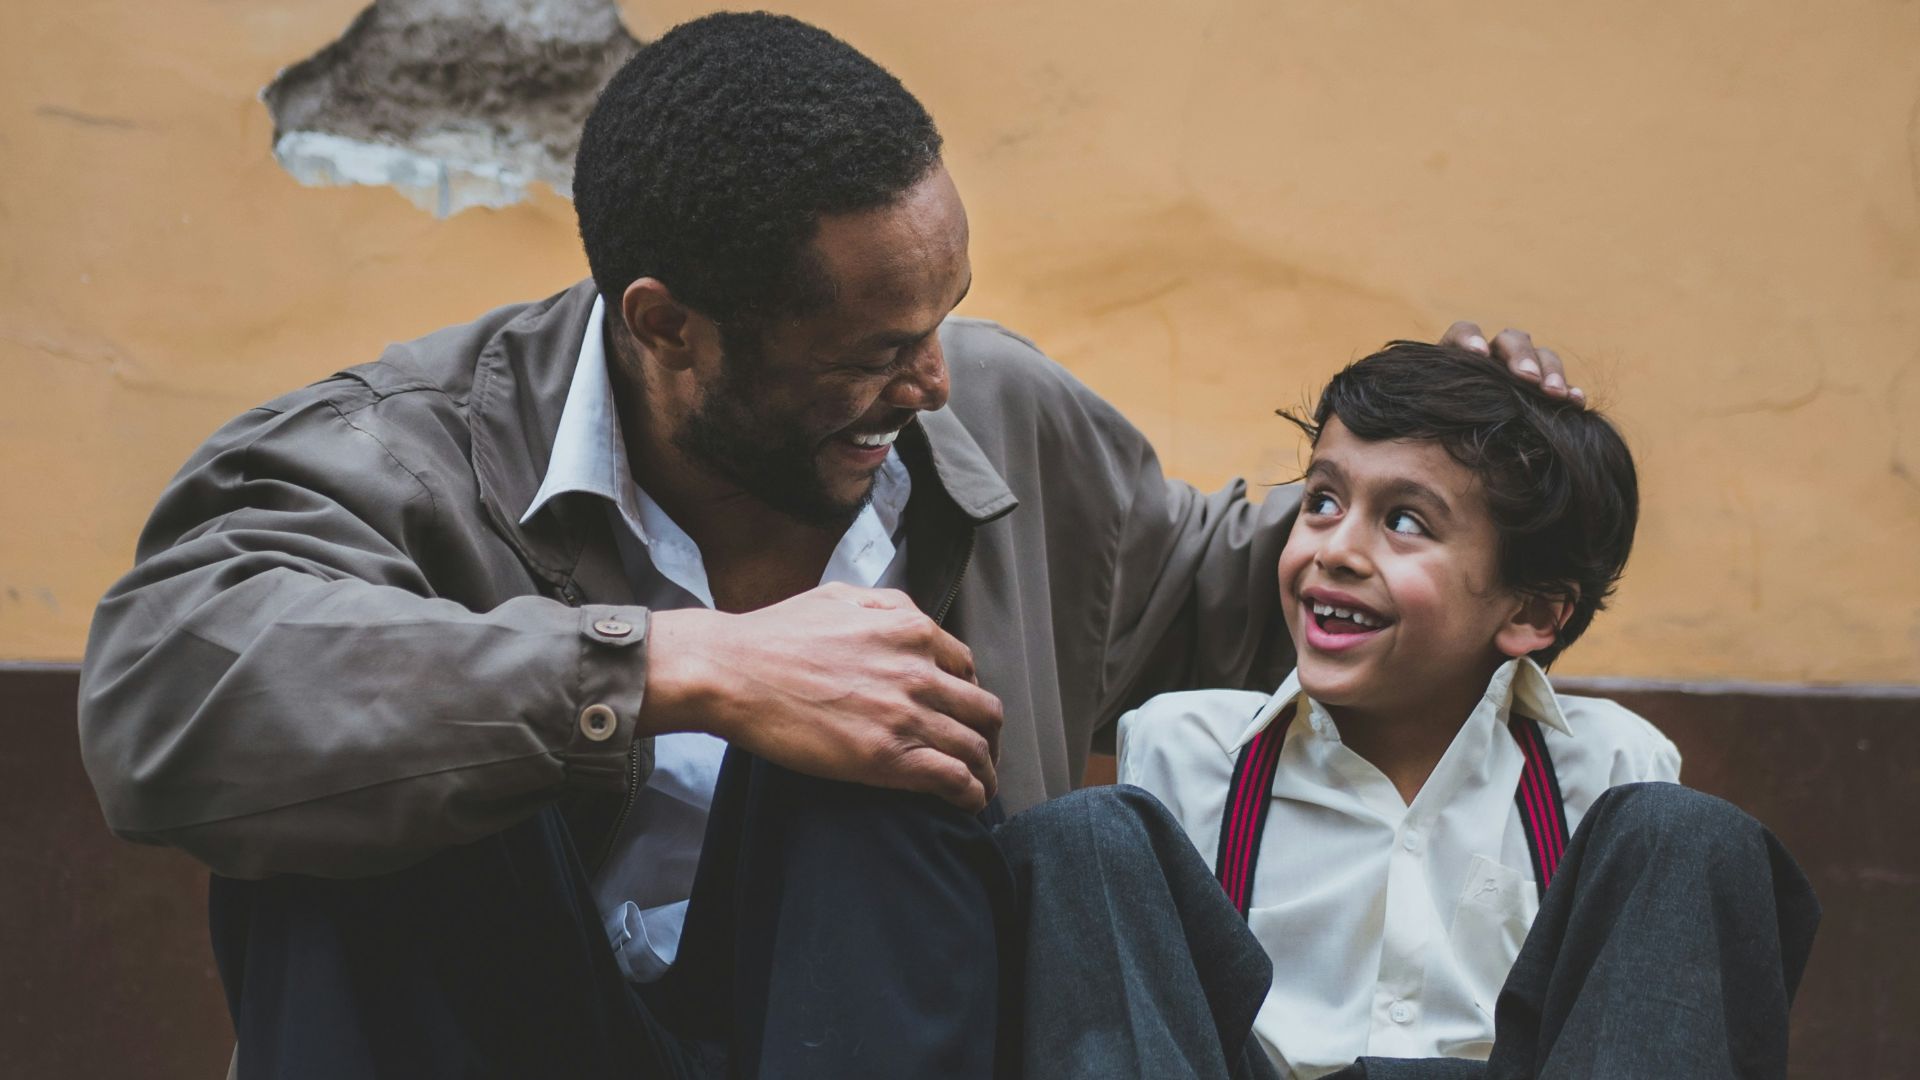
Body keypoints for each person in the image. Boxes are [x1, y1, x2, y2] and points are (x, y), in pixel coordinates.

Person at [78, 13, 1582, 1079]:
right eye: (874, 350)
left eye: (939, 322)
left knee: (893, 738)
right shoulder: (397, 453)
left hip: (892, 1033)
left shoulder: (997, 413)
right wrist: (679, 666)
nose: (933, 382)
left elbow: (1236, 597)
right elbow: (164, 695)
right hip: (501, 1024)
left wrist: (1457, 494)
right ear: (669, 326)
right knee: (380, 793)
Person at [1118, 342, 1821, 1080]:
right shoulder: (1188, 750)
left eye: (1406, 522)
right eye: (1322, 501)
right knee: (1088, 835)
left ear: (1533, 613)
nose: (1339, 549)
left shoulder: (1613, 771)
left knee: (1689, 832)